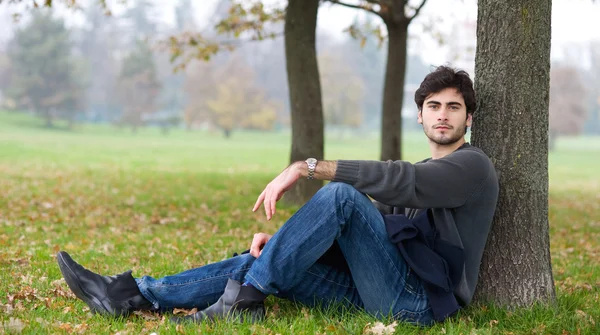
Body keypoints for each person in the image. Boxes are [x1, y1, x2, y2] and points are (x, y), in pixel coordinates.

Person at [56, 66, 498, 326]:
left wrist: (307, 166)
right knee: (261, 259)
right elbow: (368, 228)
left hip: (416, 303)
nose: (443, 115)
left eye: (453, 107)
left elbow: (405, 183)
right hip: (374, 288)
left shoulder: (472, 167)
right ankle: (131, 294)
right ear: (420, 116)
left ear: (468, 118)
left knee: (342, 195)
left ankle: (247, 297)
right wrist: (287, 240)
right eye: (434, 106)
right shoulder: (425, 169)